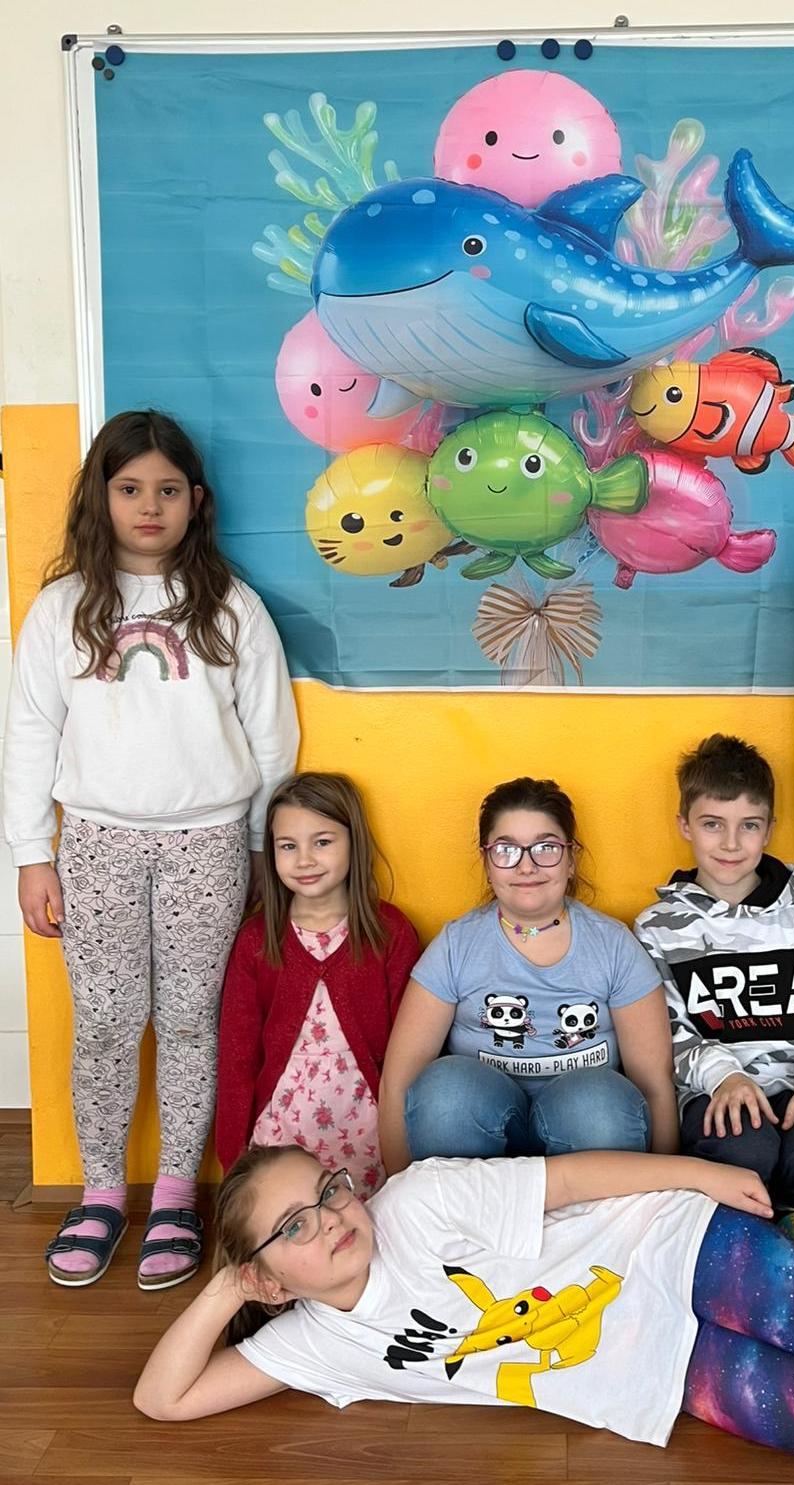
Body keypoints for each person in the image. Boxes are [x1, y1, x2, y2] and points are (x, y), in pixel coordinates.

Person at [132, 1143, 794, 1474]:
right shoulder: (313, 1344)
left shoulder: (419, 1199)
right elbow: (161, 1399)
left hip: (670, 1247)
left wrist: (700, 1173)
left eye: (327, 1189)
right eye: (294, 1225)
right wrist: (228, 1282)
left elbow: (569, 1179)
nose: (329, 1217)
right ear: (271, 1280)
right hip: (659, 1370)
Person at [2, 409, 300, 1289]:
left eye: (168, 490)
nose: (148, 506)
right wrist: (30, 851)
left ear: (195, 501)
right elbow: (30, 731)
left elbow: (272, 734)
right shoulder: (64, 608)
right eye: (130, 488)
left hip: (210, 841)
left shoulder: (231, 605)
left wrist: (262, 847)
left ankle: (174, 1193)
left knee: (190, 1021)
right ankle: (101, 1191)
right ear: (101, 497)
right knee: (103, 1021)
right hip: (95, 841)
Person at [634, 733, 794, 1252]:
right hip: (714, 1092)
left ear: (770, 828)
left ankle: (790, 1215)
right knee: (744, 1148)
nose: (731, 843)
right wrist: (726, 1076)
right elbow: (661, 1029)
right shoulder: (659, 927)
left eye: (749, 825)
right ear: (684, 825)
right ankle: (735, 1231)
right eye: (712, 824)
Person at [378, 777, 678, 1170]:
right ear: (487, 863)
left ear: (571, 859)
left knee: (597, 1103)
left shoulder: (614, 945)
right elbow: (398, 1083)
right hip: (481, 1136)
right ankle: (460, 1209)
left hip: (584, 1141)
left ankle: (591, 1211)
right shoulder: (457, 944)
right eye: (506, 850)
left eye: (546, 847)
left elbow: (655, 1087)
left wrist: (671, 1190)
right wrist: (398, 1189)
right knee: (447, 1091)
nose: (526, 866)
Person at [216, 772, 419, 1198]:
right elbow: (237, 1056)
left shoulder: (391, 932)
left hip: (367, 1129)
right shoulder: (256, 940)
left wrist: (404, 1151)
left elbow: (412, 1051)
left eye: (322, 842)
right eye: (288, 846)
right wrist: (232, 1161)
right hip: (281, 1127)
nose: (304, 860)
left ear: (354, 843)